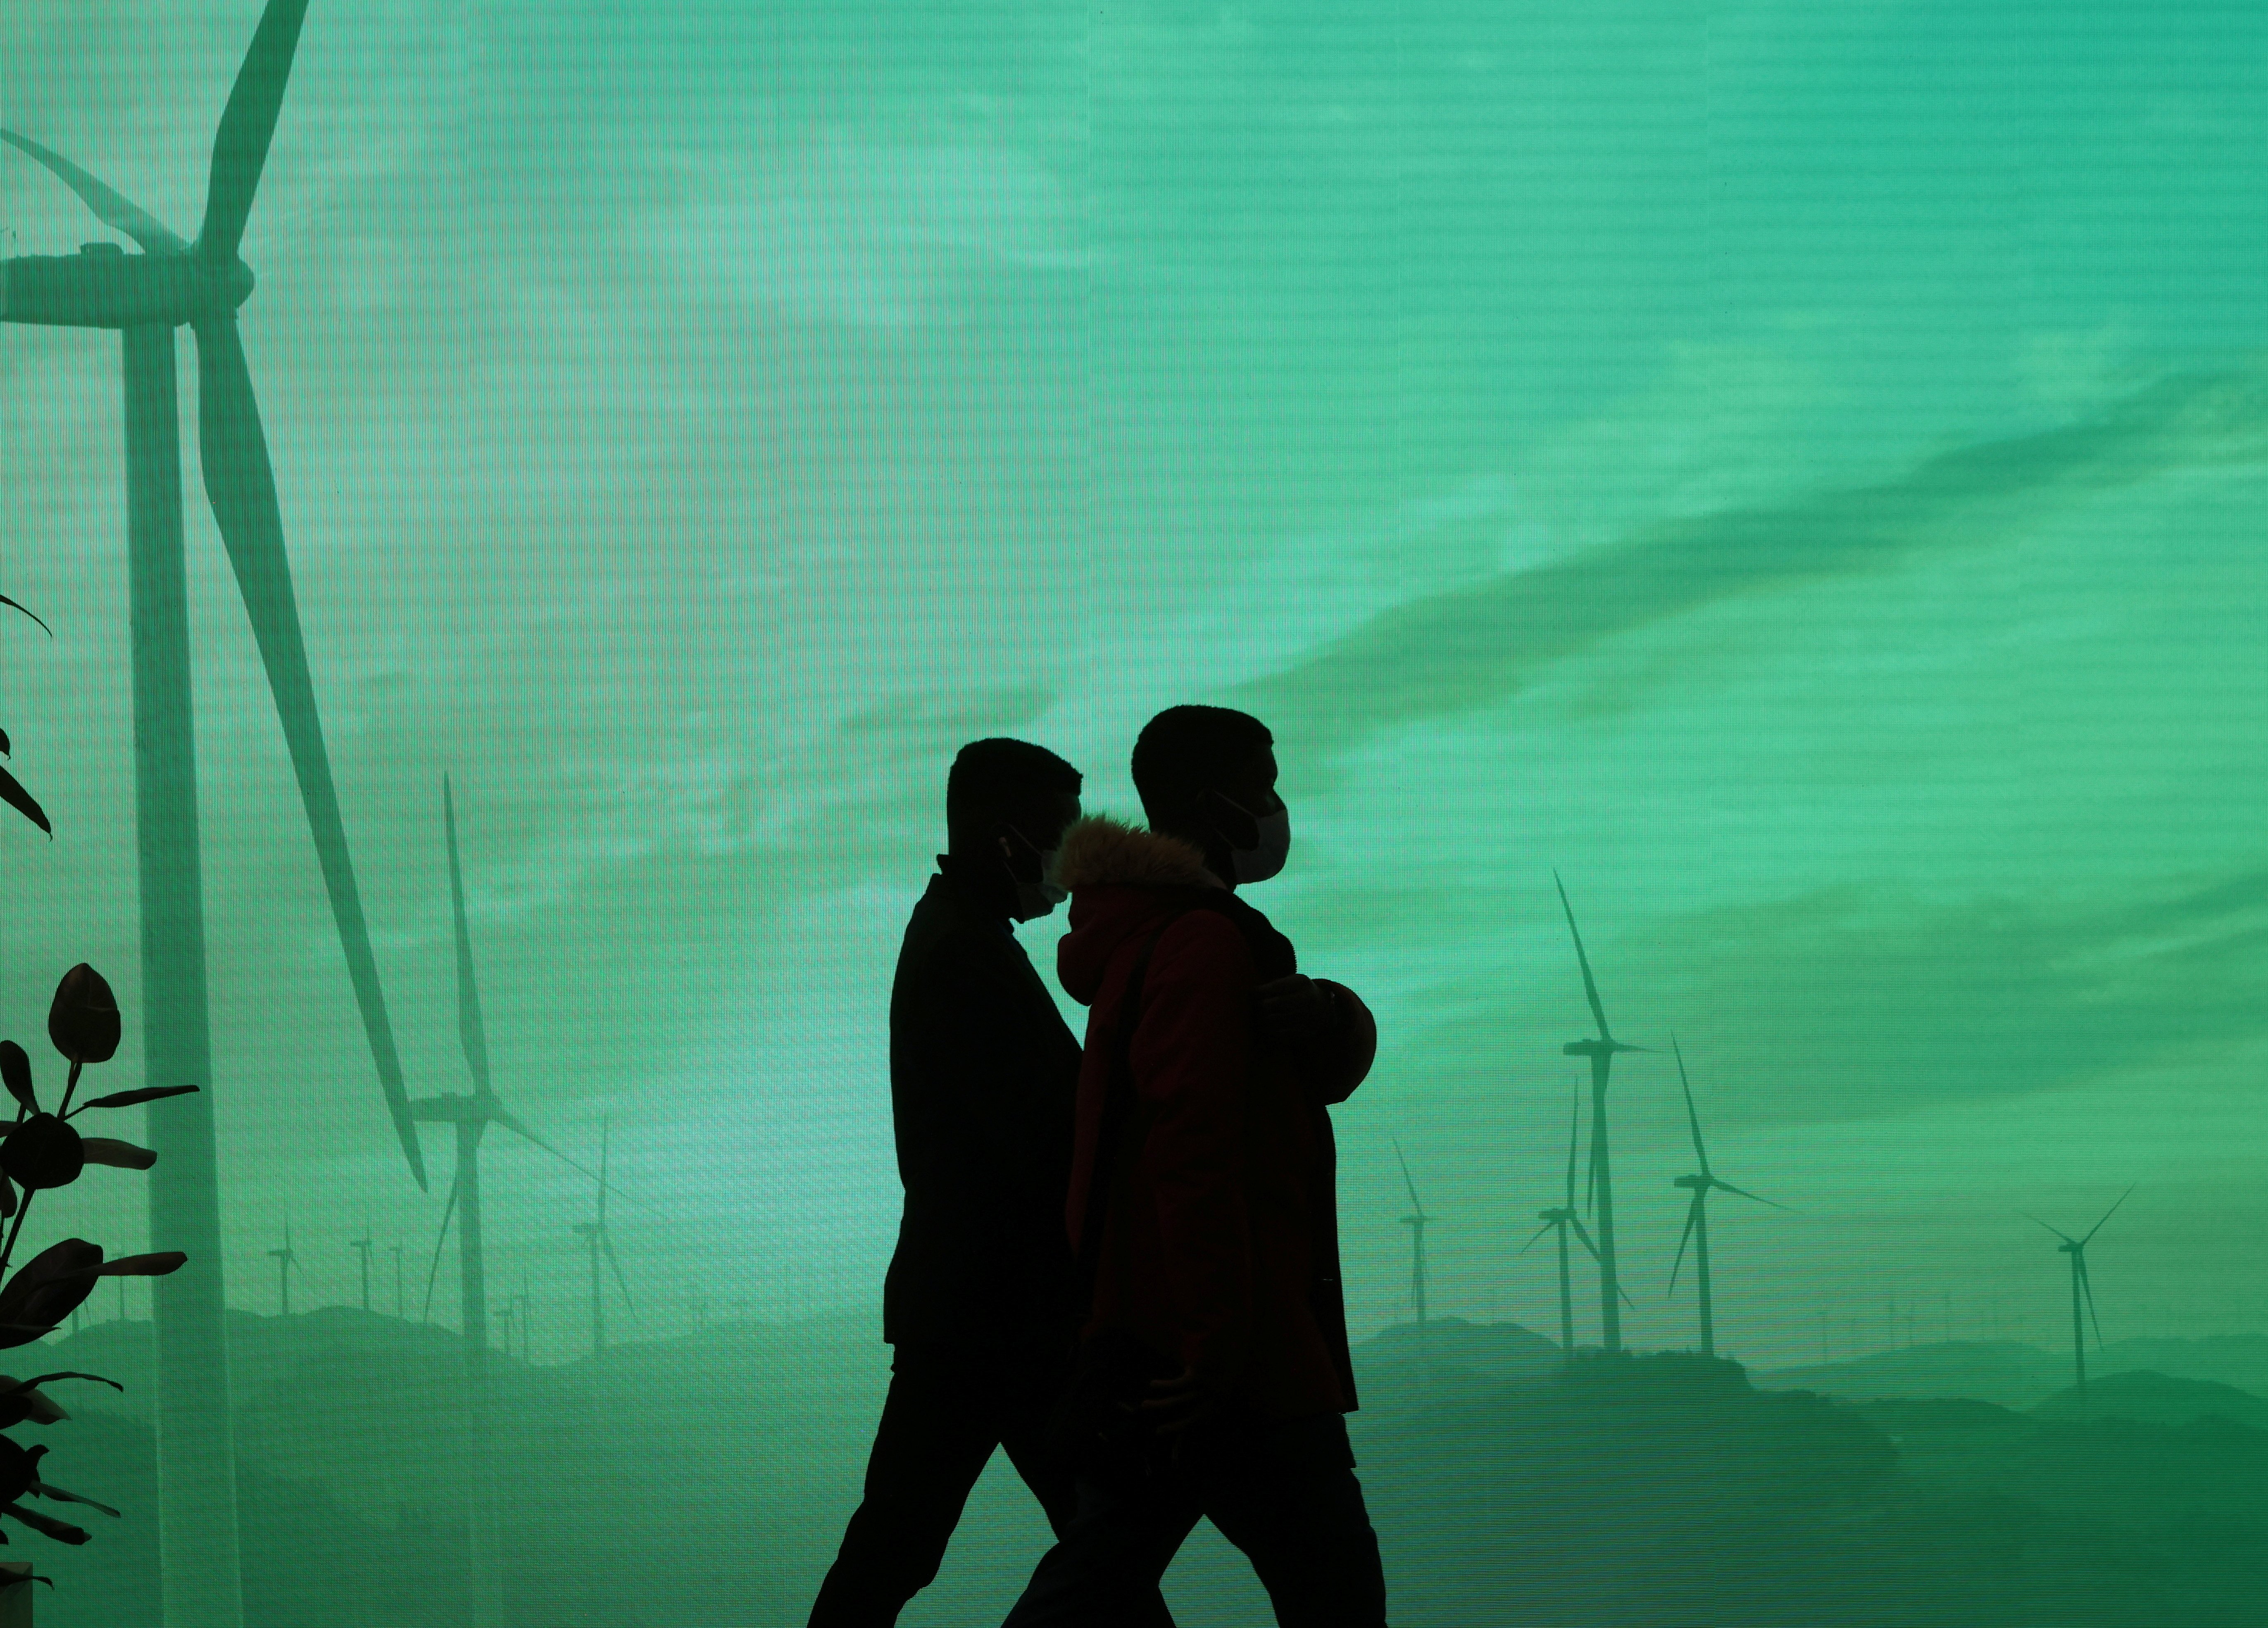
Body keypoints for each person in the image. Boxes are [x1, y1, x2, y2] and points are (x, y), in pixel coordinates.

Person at [1003, 705, 1389, 1628]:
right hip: (1228, 1353)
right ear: (1215, 805)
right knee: (1337, 1597)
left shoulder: (1153, 941)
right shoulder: (1203, 944)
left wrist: (1333, 1013)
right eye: (1263, 784)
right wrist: (1215, 1342)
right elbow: (1193, 1151)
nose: (1277, 805)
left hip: (1166, 1343)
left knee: (1093, 1583)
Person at [809, 738, 1176, 1627]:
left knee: (913, 1540)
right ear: (1006, 834)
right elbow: (1043, 1132)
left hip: (972, 1308)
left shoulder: (957, 936)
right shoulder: (966, 952)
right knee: (1095, 1541)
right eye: (1059, 834)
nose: (1072, 860)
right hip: (1000, 1310)